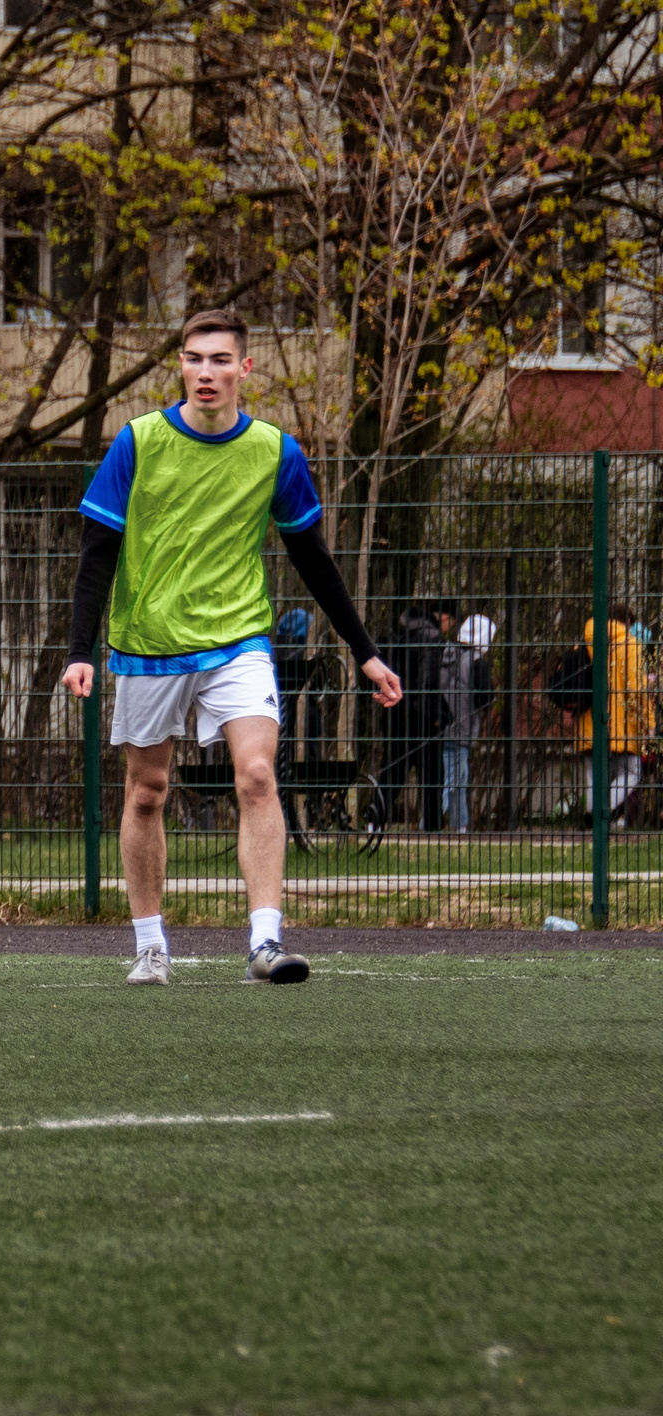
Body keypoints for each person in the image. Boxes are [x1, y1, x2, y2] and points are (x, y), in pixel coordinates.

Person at [63, 307, 403, 986]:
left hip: (238, 640)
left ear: (244, 368)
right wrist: (79, 649)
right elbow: (98, 552)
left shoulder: (276, 452)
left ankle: (265, 942)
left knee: (257, 775)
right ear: (180, 365)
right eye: (194, 358)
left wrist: (365, 651)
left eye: (220, 360)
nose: (206, 371)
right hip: (150, 642)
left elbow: (313, 558)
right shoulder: (138, 441)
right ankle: (151, 945)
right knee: (147, 793)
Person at [371, 603, 448, 830]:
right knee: (432, 774)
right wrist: (435, 715)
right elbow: (429, 681)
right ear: (443, 617)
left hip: (395, 711)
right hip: (422, 715)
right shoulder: (432, 638)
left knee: (393, 770)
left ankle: (375, 820)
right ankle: (433, 826)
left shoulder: (398, 636)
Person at [576, 601, 653, 822]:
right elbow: (635, 689)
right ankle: (603, 810)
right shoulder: (630, 644)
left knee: (594, 774)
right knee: (631, 772)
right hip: (621, 723)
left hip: (589, 718)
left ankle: (591, 815)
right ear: (626, 621)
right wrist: (648, 721)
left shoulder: (585, 639)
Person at [440, 613, 494, 834]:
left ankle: (458, 824)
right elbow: (486, 697)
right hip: (462, 727)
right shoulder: (476, 661)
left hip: (440, 723)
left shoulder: (444, 652)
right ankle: (434, 823)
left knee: (453, 777)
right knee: (454, 779)